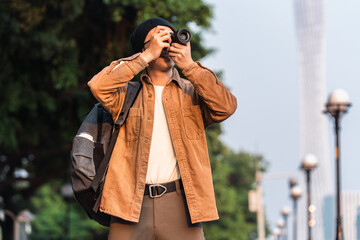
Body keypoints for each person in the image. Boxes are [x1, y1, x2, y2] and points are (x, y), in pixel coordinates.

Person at [88, 17, 237, 240]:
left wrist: (190, 66)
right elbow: (97, 85)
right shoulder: (126, 95)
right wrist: (147, 55)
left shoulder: (192, 93)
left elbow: (226, 107)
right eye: (160, 38)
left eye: (171, 37)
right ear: (143, 48)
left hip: (181, 204)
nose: (167, 44)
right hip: (129, 202)